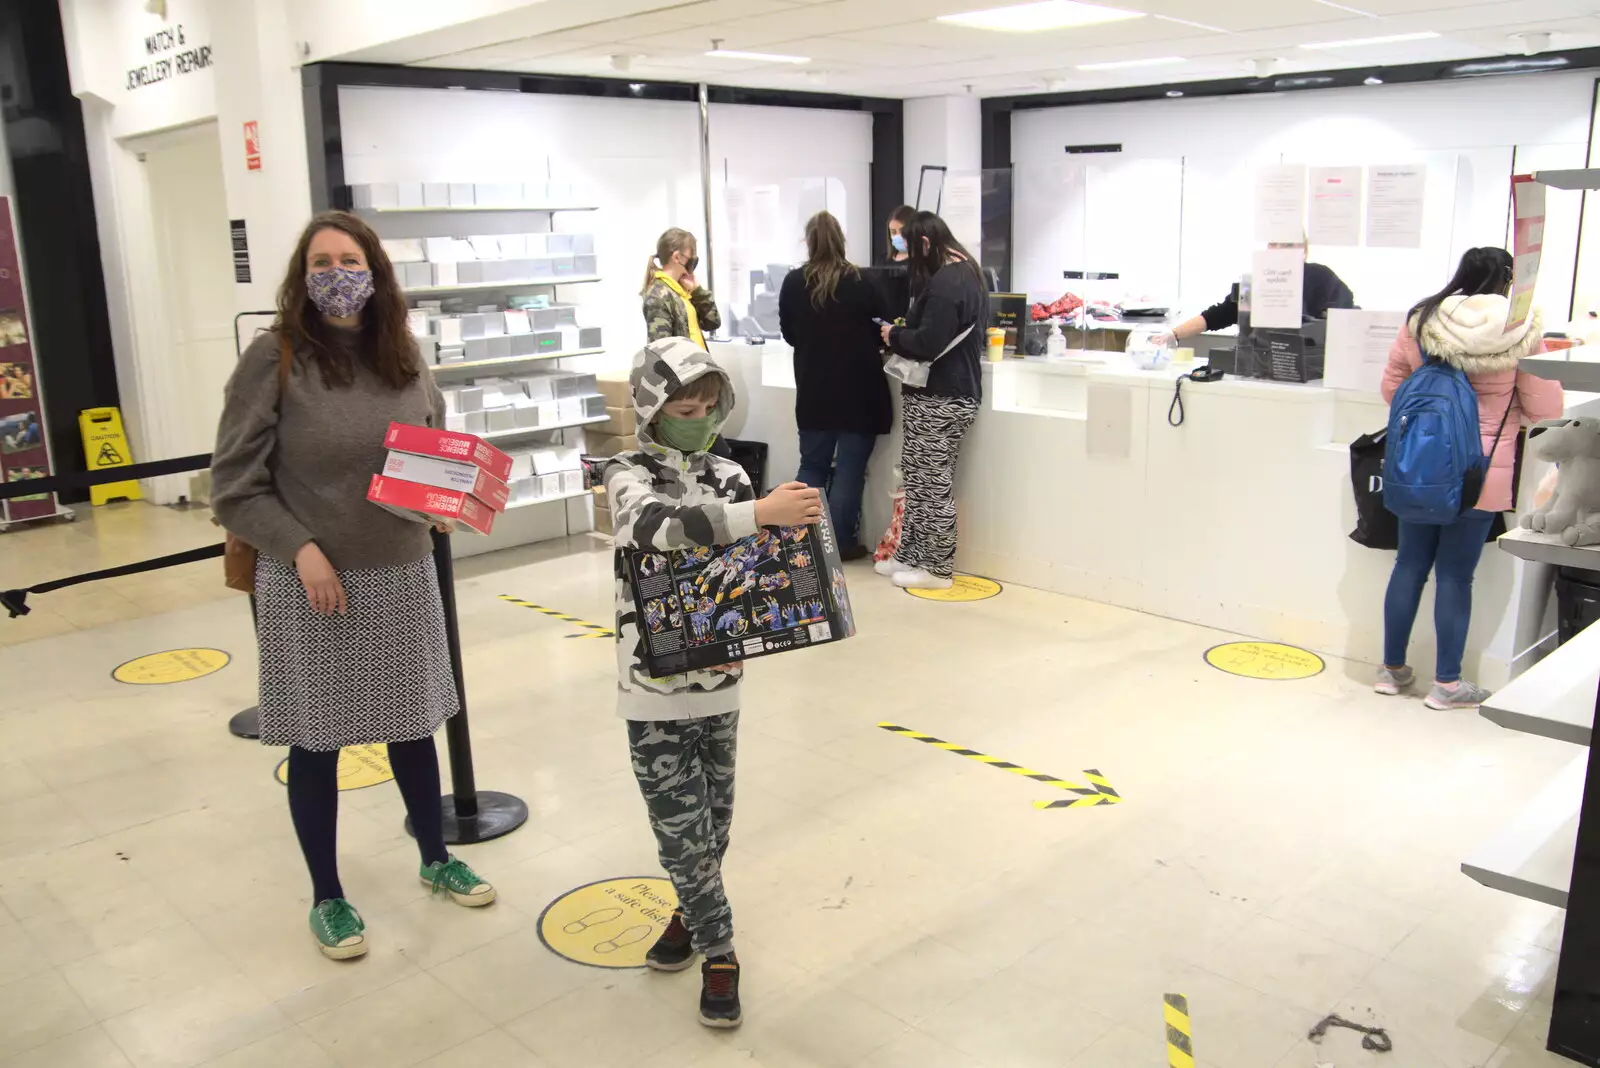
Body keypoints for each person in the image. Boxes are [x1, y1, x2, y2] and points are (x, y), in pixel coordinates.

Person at [211, 211, 495, 961]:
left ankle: (435, 857)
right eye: (321, 261)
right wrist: (300, 549)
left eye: (350, 258)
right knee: (317, 741)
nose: (337, 273)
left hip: (402, 572)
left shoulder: (402, 355)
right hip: (311, 584)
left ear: (375, 271)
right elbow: (232, 486)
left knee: (412, 724)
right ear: (302, 277)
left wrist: (449, 500)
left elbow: (434, 442)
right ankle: (328, 897)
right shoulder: (272, 359)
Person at [604, 336, 823, 1029]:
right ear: (650, 409)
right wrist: (759, 516)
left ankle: (685, 918)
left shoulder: (731, 473)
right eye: (681, 407)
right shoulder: (624, 471)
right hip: (651, 685)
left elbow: (748, 569)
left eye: (706, 406)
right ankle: (720, 949)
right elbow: (656, 529)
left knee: (713, 822)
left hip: (721, 678)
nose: (696, 417)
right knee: (679, 827)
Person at [1376, 247, 1563, 709]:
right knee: (1456, 578)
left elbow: (1390, 390)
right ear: (1506, 279)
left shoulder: (1422, 321)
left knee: (1409, 566)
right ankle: (1448, 685)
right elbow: (1547, 409)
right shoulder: (1520, 328)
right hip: (1482, 471)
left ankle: (1391, 671)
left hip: (1421, 465)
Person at [876, 211, 987, 591]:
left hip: (941, 396)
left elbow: (928, 341)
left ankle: (936, 567)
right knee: (920, 478)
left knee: (931, 483)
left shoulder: (947, 282)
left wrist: (893, 335)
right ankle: (910, 555)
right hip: (944, 393)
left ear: (925, 243)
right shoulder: (966, 272)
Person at [779, 211, 890, 559]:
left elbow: (789, 333)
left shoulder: (794, 282)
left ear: (808, 242)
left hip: (814, 389)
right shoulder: (862, 280)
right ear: (841, 240)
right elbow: (884, 325)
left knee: (812, 466)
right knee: (850, 470)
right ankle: (840, 544)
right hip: (861, 389)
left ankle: (806, 542)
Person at [1157, 240, 1355, 344]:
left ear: (1303, 249)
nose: (1279, 250)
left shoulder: (1321, 277)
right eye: (1274, 243)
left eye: (1287, 245)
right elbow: (1218, 315)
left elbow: (1345, 317)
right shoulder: (1256, 283)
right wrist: (1173, 335)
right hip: (1259, 369)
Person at [643, 228, 720, 347]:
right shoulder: (658, 295)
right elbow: (661, 351)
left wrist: (697, 291)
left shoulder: (682, 290)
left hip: (698, 364)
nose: (693, 259)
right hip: (686, 366)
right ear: (677, 257)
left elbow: (713, 323)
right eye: (691, 256)